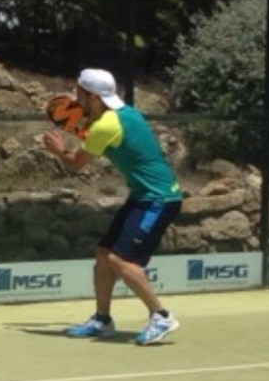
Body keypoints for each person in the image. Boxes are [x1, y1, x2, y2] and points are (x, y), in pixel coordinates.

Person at [42, 68, 183, 345]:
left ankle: (161, 316)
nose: (75, 99)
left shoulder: (105, 126)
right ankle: (102, 320)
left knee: (121, 260)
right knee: (104, 254)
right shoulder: (127, 114)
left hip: (159, 199)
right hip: (143, 196)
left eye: (79, 94)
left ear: (93, 97)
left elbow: (76, 163)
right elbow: (98, 135)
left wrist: (59, 151)